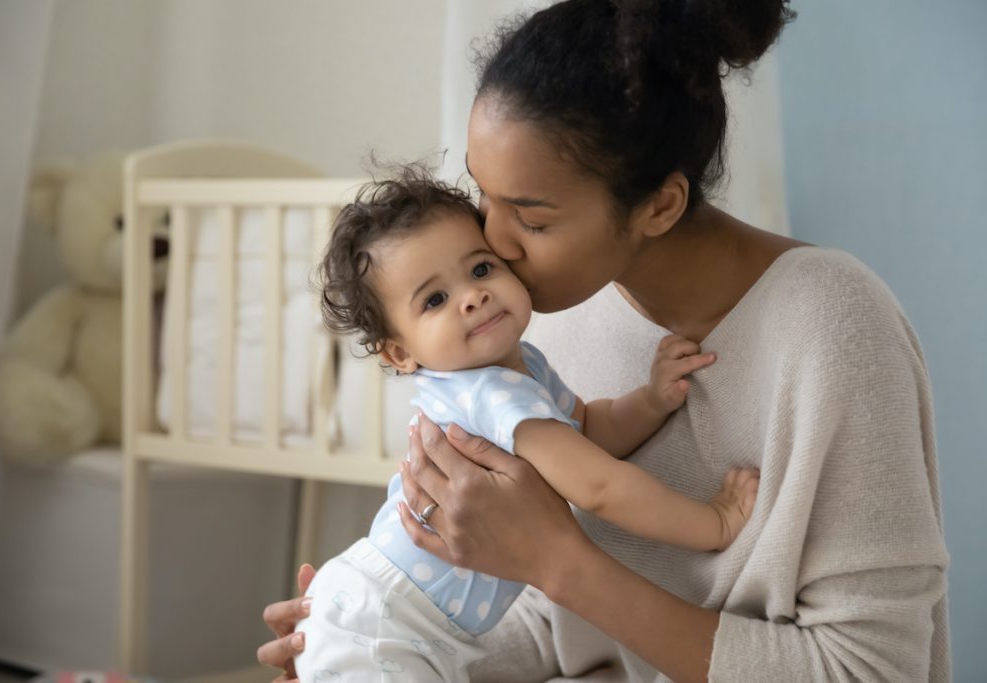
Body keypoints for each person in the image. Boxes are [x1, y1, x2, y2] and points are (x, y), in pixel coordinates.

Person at [258, 1, 951, 681]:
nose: (491, 244)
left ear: (660, 206)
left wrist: (561, 562)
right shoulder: (537, 316)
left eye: (529, 217)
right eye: (482, 195)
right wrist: (382, 639)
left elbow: (872, 668)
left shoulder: (832, 324)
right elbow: (552, 623)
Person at [293, 166, 758, 681]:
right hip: (387, 622)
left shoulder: (522, 365)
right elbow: (599, 486)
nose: (473, 296)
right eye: (435, 300)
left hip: (387, 616)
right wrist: (711, 523)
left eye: (481, 269)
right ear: (402, 352)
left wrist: (650, 401)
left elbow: (586, 428)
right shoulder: (491, 394)